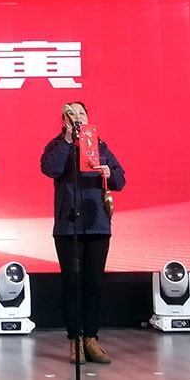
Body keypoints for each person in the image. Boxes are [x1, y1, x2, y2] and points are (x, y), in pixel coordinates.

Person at [41, 101, 125, 365]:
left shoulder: (100, 145)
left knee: (94, 284)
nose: (77, 117)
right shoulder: (58, 145)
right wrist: (67, 140)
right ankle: (74, 339)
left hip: (98, 222)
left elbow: (121, 179)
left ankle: (91, 338)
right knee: (71, 284)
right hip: (69, 226)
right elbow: (50, 168)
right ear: (63, 121)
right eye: (71, 114)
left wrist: (109, 173)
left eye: (81, 113)